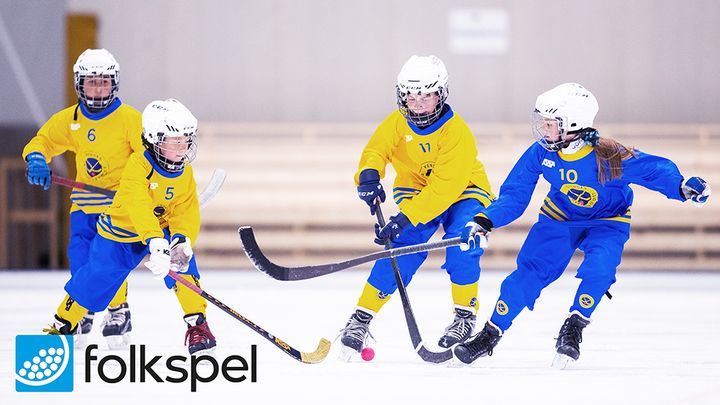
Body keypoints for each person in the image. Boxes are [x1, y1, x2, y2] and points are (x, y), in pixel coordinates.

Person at [454, 82, 711, 368]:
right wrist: (483, 221)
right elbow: (515, 194)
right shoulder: (542, 152)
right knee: (528, 272)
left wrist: (682, 185)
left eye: (551, 124)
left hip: (607, 222)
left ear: (571, 125)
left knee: (600, 268)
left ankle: (574, 325)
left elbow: (653, 169)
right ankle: (490, 334)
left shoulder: (609, 155)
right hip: (559, 219)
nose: (544, 130)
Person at [338, 55, 495, 360]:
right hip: (416, 189)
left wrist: (404, 217)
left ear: (440, 94)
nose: (418, 102)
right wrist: (369, 174)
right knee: (402, 246)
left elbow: (444, 189)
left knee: (464, 242)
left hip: (465, 192)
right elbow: (376, 150)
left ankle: (464, 316)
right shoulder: (397, 122)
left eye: (426, 94)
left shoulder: (456, 132)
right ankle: (361, 317)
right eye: (411, 94)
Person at [43, 99, 218, 356]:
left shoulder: (184, 172)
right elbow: (138, 206)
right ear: (153, 140)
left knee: (184, 268)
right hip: (120, 233)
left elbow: (185, 209)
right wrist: (155, 241)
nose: (183, 148)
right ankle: (61, 326)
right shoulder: (137, 167)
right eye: (175, 141)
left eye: (186, 140)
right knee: (93, 279)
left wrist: (181, 239)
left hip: (159, 229)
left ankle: (198, 325)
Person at [22, 48, 143, 348]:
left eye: (104, 82)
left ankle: (118, 310)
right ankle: (84, 307)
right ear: (80, 84)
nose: (98, 88)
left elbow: (146, 158)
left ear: (114, 84)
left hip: (118, 208)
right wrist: (37, 158)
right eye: (92, 82)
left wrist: (139, 188)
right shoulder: (70, 119)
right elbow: (44, 140)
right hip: (83, 205)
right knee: (80, 258)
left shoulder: (129, 119)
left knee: (107, 260)